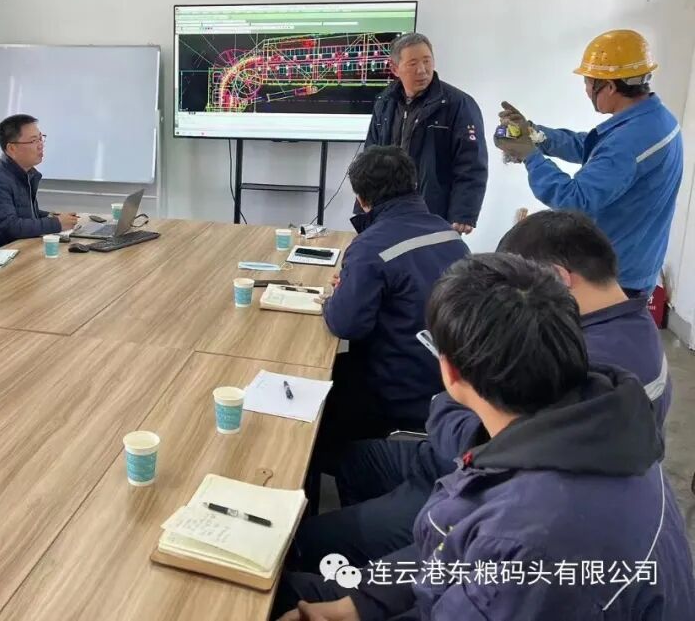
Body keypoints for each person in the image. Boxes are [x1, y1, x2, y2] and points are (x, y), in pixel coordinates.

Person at [277, 255, 694, 620]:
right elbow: (454, 552)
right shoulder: (606, 424)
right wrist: (364, 602)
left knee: (281, 591)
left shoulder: (525, 532)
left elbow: (486, 560)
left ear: (449, 373)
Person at [496, 29, 682, 297]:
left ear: (610, 86)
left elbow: (574, 200)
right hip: (637, 261)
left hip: (617, 278)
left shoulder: (629, 142)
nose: (585, 90)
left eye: (588, 82)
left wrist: (530, 156)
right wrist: (536, 135)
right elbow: (593, 148)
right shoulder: (655, 119)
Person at [319, 145, 468, 449]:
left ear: (362, 200)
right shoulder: (448, 234)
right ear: (414, 184)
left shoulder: (370, 246)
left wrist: (333, 298)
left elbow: (347, 324)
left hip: (398, 390)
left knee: (319, 397)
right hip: (452, 382)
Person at [364, 32, 487, 235]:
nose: (422, 70)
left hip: (435, 211)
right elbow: (371, 158)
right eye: (412, 63)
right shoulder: (384, 102)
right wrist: (364, 203)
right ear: (395, 69)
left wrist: (464, 213)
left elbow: (471, 163)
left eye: (427, 61)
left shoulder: (458, 104)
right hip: (388, 211)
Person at [0, 114, 78, 249]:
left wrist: (52, 216)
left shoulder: (25, 173)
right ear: (12, 148)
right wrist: (57, 223)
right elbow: (11, 227)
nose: (40, 145)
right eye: (33, 141)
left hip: (21, 249)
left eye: (41, 138)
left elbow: (24, 212)